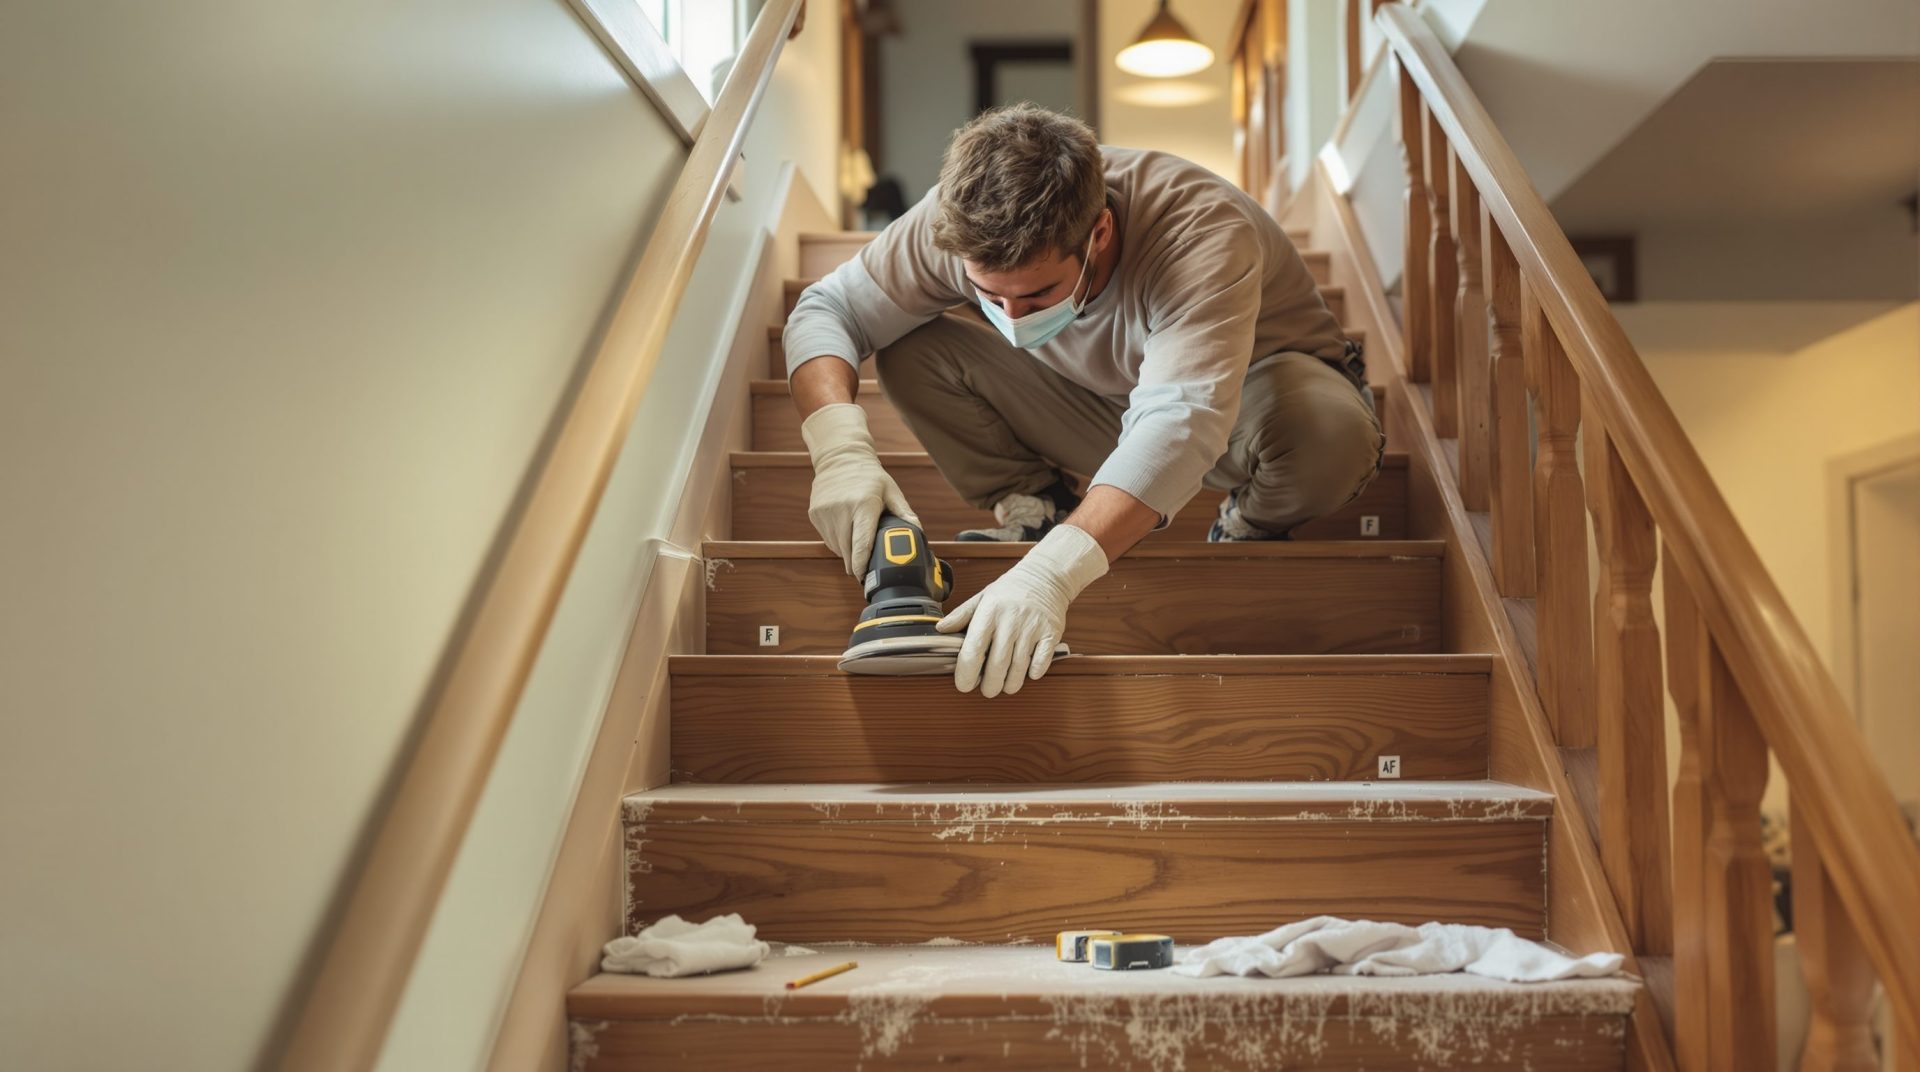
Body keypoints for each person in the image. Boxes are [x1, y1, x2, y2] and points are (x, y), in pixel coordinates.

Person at [784, 104, 1383, 699]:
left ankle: (1246, 527)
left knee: (1329, 435)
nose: (1011, 317)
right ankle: (1038, 506)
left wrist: (1052, 574)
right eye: (989, 294)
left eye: (1038, 292)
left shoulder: (1200, 228)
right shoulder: (956, 218)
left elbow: (1180, 423)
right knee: (911, 346)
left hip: (1249, 406)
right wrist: (839, 449)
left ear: (1098, 233)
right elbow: (826, 310)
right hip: (1107, 406)